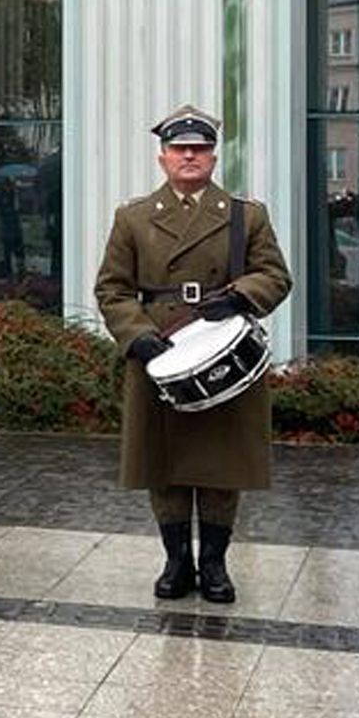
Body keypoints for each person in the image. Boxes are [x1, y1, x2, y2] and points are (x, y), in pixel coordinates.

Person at [93, 106, 292, 604]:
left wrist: (241, 296)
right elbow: (112, 288)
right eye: (180, 149)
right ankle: (177, 560)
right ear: (163, 157)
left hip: (223, 351)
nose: (189, 156)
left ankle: (216, 564)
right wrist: (136, 334)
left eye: (199, 149)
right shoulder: (133, 217)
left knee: (222, 464)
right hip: (160, 351)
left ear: (213, 157)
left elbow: (275, 275)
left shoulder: (246, 215)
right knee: (165, 463)